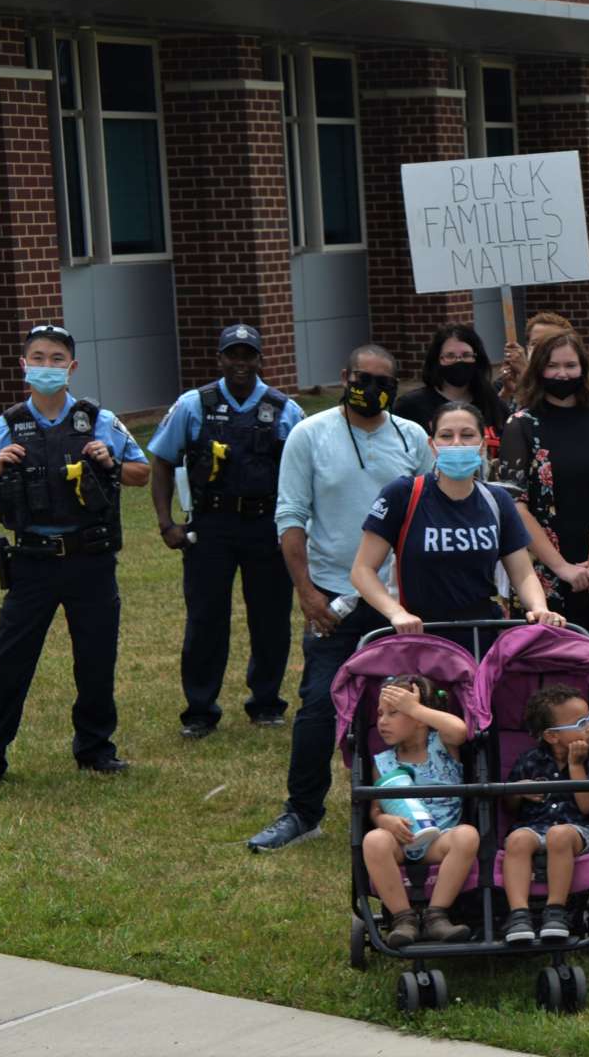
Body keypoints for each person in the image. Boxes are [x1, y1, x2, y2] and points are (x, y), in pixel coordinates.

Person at [247, 344, 435, 850]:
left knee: (410, 708)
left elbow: (430, 510)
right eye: (362, 378)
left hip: (402, 599)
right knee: (318, 704)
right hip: (334, 597)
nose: (371, 389)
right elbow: (290, 517)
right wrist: (306, 593)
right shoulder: (309, 434)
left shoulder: (411, 436)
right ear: (344, 376)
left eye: (384, 381)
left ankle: (423, 804)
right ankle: (302, 811)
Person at [0, 322, 149, 791]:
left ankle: (95, 748)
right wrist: (1, 463)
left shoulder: (100, 420)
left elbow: (141, 472)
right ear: (24, 365)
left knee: (96, 657)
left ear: (73, 367)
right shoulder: (1, 427)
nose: (48, 366)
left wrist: (109, 461)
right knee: (8, 660)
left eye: (57, 359)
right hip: (33, 562)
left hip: (90, 559)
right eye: (39, 358)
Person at [146, 322, 303, 739]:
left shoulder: (284, 409)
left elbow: (303, 470)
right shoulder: (193, 405)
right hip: (211, 525)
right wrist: (166, 524)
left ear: (259, 359)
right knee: (205, 618)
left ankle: (266, 702)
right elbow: (161, 461)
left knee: (270, 617)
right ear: (220, 358)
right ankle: (200, 708)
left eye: (247, 355)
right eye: (232, 355)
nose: (239, 363)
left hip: (266, 526)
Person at [350, 402, 565, 639]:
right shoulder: (403, 494)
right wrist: (396, 613)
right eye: (445, 435)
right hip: (419, 633)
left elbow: (522, 573)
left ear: (482, 445)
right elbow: (362, 570)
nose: (456, 443)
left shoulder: (497, 500)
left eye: (467, 435)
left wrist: (539, 607)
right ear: (432, 445)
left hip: (481, 633)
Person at [498, 329, 589, 640]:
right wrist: (562, 568)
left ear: (583, 369)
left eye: (570, 366)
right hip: (542, 575)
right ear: (538, 370)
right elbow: (514, 505)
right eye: (553, 366)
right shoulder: (520, 426)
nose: (562, 374)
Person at [362, 674, 477, 948]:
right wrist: (384, 820)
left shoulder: (442, 745)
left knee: (467, 836)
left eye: (393, 713)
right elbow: (376, 808)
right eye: (379, 714)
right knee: (373, 840)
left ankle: (437, 915)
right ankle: (403, 918)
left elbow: (460, 730)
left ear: (420, 718)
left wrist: (415, 708)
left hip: (440, 839)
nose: (382, 721)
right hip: (402, 840)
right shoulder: (384, 761)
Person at [500, 685, 589, 946]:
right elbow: (509, 806)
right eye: (581, 723)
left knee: (559, 836)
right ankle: (519, 913)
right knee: (517, 840)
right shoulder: (529, 760)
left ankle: (556, 910)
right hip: (534, 826)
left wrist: (576, 766)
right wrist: (519, 791)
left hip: (576, 829)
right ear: (552, 736)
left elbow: (587, 807)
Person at [393, 324, 508, 457]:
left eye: (466, 355)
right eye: (450, 356)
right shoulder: (409, 407)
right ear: (437, 360)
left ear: (477, 358)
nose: (459, 361)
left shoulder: (494, 405)